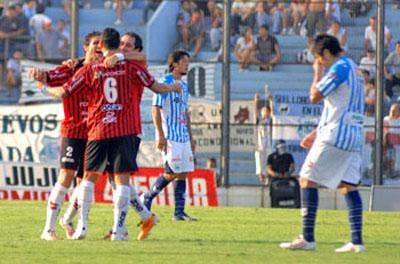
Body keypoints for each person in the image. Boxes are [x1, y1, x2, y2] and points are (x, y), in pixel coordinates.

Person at [41, 28, 182, 241]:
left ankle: (86, 226)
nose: (125, 48)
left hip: (99, 129)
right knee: (118, 180)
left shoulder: (94, 69)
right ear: (117, 45)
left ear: (102, 46)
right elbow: (156, 87)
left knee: (93, 178)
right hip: (124, 129)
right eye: (122, 44)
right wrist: (173, 87)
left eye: (129, 46)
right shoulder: (132, 66)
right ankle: (125, 225)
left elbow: (65, 91)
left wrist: (43, 87)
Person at [280, 34, 365, 252]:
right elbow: (339, 106)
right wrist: (316, 132)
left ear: (326, 53)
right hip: (354, 135)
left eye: (320, 58)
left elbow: (315, 96)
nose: (320, 63)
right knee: (348, 186)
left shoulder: (339, 68)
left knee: (306, 179)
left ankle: (307, 239)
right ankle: (357, 242)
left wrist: (317, 74)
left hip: (337, 135)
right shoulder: (355, 68)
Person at [29, 31, 103, 241]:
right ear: (86, 47)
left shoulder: (106, 69)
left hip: (94, 133)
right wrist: (38, 74)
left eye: (102, 44)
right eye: (95, 43)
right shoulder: (72, 68)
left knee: (85, 183)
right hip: (73, 131)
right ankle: (48, 230)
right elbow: (49, 76)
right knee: (65, 177)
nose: (99, 47)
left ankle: (68, 220)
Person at [141, 50, 197, 221]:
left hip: (183, 137)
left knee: (184, 172)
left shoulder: (185, 86)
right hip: (170, 136)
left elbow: (185, 112)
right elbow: (155, 108)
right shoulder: (165, 82)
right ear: (175, 64)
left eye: (188, 61)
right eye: (184, 61)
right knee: (171, 171)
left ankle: (179, 213)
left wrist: (191, 136)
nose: (187, 64)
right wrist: (160, 135)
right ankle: (148, 196)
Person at [254, 92, 273, 185]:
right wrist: (256, 101)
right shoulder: (259, 120)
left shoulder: (270, 120)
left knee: (268, 158)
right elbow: (255, 113)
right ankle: (261, 176)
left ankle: (268, 177)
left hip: (268, 142)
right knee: (259, 158)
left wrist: (271, 101)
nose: (264, 112)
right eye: (263, 110)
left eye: (266, 110)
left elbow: (273, 114)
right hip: (260, 143)